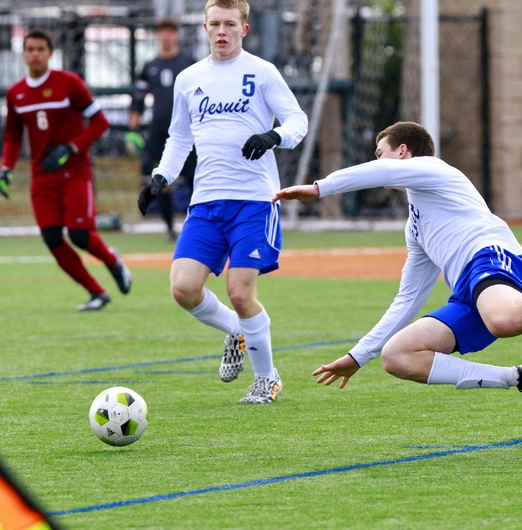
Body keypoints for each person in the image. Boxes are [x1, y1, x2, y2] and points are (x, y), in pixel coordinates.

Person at [272, 121, 522, 394]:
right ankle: (517, 377)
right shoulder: (416, 226)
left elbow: (381, 171)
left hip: (491, 256)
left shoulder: (432, 169)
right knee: (399, 355)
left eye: (381, 153)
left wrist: (319, 188)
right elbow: (407, 299)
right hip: (468, 293)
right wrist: (358, 356)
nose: (379, 162)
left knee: (505, 319)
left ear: (403, 152)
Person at [137, 0, 308, 404]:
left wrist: (273, 137)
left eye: (230, 24)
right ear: (204, 27)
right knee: (183, 288)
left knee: (240, 292)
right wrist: (160, 177)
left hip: (254, 201)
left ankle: (267, 379)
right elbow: (179, 137)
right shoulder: (189, 78)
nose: (221, 31)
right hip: (206, 203)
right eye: (214, 24)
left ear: (244, 29)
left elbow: (296, 120)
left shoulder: (262, 72)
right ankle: (237, 330)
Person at [2, 29, 132, 311]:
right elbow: (12, 136)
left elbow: (100, 122)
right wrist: (5, 167)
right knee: (51, 238)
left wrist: (71, 148)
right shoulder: (16, 93)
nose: (35, 54)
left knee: (79, 235)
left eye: (40, 49)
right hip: (42, 177)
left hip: (75, 172)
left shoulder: (70, 84)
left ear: (50, 53)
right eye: (30, 49)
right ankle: (97, 293)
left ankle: (112, 260)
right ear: (23, 54)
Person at [128, 17, 197, 241]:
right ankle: (170, 229)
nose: (166, 36)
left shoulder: (189, 63)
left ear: (176, 35)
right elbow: (139, 98)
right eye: (162, 32)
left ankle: (199, 226)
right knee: (163, 179)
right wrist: (134, 124)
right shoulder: (150, 66)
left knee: (197, 178)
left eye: (170, 32)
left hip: (188, 132)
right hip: (159, 132)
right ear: (158, 36)